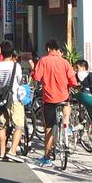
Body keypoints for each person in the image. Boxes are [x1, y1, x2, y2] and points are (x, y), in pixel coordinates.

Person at [31, 39, 78, 168]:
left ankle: (47, 157)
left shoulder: (43, 61)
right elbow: (73, 82)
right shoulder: (65, 62)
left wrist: (32, 69)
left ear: (48, 49)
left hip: (49, 98)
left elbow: (36, 77)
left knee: (49, 128)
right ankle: (66, 124)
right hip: (63, 96)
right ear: (58, 49)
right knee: (66, 103)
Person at [0, 40, 25, 162]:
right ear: (12, 53)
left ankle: (2, 153)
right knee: (19, 125)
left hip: (2, 98)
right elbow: (19, 80)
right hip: (14, 98)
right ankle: (12, 151)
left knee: (2, 126)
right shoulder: (16, 66)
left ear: (2, 52)